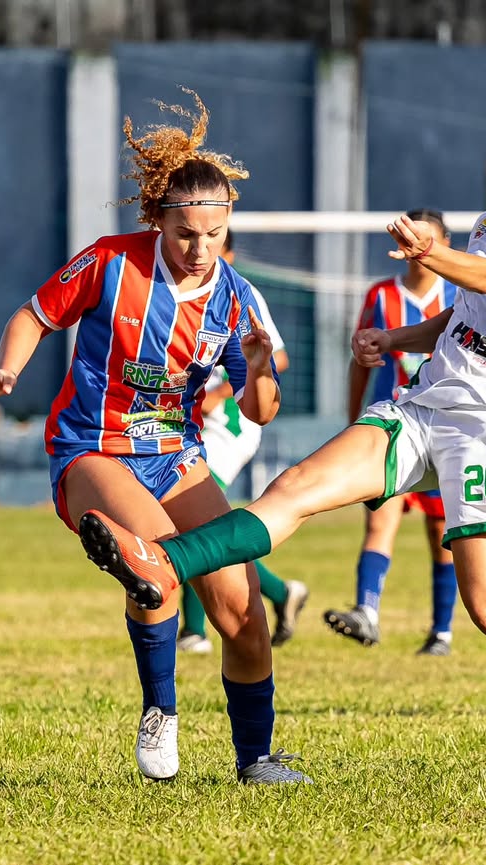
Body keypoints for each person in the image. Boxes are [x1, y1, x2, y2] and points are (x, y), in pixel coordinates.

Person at [79, 114, 486, 782]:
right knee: (293, 490)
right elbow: (467, 317)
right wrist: (396, 342)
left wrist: (430, 253)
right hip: (422, 407)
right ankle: (163, 562)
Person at [0, 90, 310, 785]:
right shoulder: (109, 263)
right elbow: (34, 315)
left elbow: (263, 408)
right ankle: (161, 709)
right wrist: (8, 368)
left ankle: (257, 759)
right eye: (187, 233)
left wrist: (256, 368)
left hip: (175, 456)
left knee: (244, 611)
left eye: (214, 235)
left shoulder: (240, 300)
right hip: (91, 451)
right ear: (159, 218)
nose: (200, 249)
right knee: (157, 565)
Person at [323, 208, 459, 655]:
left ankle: (441, 632)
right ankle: (367, 612)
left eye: (430, 239)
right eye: (412, 238)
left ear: (445, 244)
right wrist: (351, 419)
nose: (421, 249)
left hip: (443, 428)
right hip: (393, 425)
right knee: (380, 520)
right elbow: (360, 357)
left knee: (442, 533)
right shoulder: (381, 295)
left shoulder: (460, 293)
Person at [179, 233, 309, 654]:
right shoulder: (173, 287)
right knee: (195, 521)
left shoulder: (239, 290)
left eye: (213, 241)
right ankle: (279, 592)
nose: (198, 251)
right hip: (192, 421)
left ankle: (194, 630)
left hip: (231, 423)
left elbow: (279, 357)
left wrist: (222, 385)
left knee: (192, 515)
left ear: (228, 253)